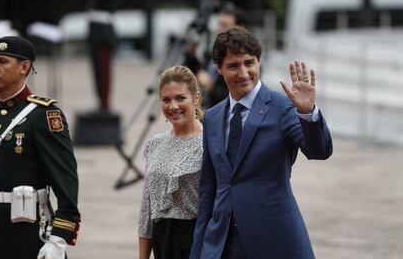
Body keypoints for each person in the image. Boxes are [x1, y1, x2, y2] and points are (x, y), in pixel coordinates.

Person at [190, 27, 333, 258]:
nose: (243, 72)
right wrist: (198, 251)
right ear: (219, 69)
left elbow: (319, 150)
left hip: (275, 240)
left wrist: (307, 112)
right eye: (233, 66)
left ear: (259, 62)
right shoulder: (213, 117)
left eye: (249, 63)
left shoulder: (283, 107)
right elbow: (209, 189)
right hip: (223, 243)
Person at [0, 36, 80, 259]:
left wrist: (59, 238)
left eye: (2, 61)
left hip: (24, 232)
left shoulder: (43, 115)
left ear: (24, 67)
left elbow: (65, 181)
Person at [138, 65, 204, 259]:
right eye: (166, 100)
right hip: (162, 242)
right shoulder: (154, 144)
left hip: (198, 241)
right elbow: (147, 207)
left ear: (196, 98)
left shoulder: (211, 143)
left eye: (180, 98)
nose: (173, 106)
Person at [85, 0, 120, 111]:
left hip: (103, 35)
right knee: (97, 72)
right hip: (95, 34)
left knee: (103, 72)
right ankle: (101, 101)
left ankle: (105, 103)